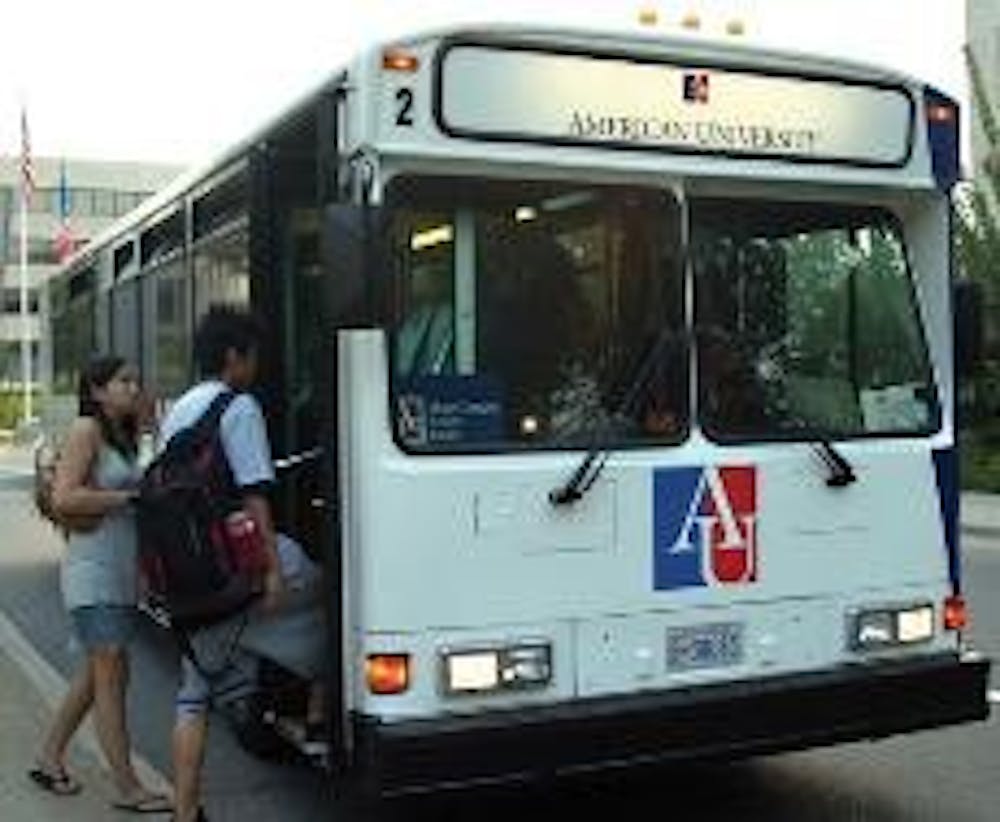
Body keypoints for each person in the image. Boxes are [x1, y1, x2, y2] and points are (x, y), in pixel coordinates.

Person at [157, 306, 283, 822]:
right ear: (234, 356)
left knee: (193, 694)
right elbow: (254, 497)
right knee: (329, 595)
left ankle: (185, 812)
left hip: (186, 567)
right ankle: (319, 710)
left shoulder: (181, 407)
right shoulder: (240, 407)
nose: (256, 365)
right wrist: (272, 569)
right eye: (252, 354)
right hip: (233, 561)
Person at [30, 355, 171, 813]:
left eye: (136, 380)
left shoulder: (126, 438)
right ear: (96, 390)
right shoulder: (85, 431)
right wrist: (128, 497)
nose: (133, 388)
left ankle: (49, 758)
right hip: (91, 574)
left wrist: (150, 424)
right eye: (123, 382)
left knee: (96, 676)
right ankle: (128, 788)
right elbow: (65, 495)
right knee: (112, 678)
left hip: (120, 574)